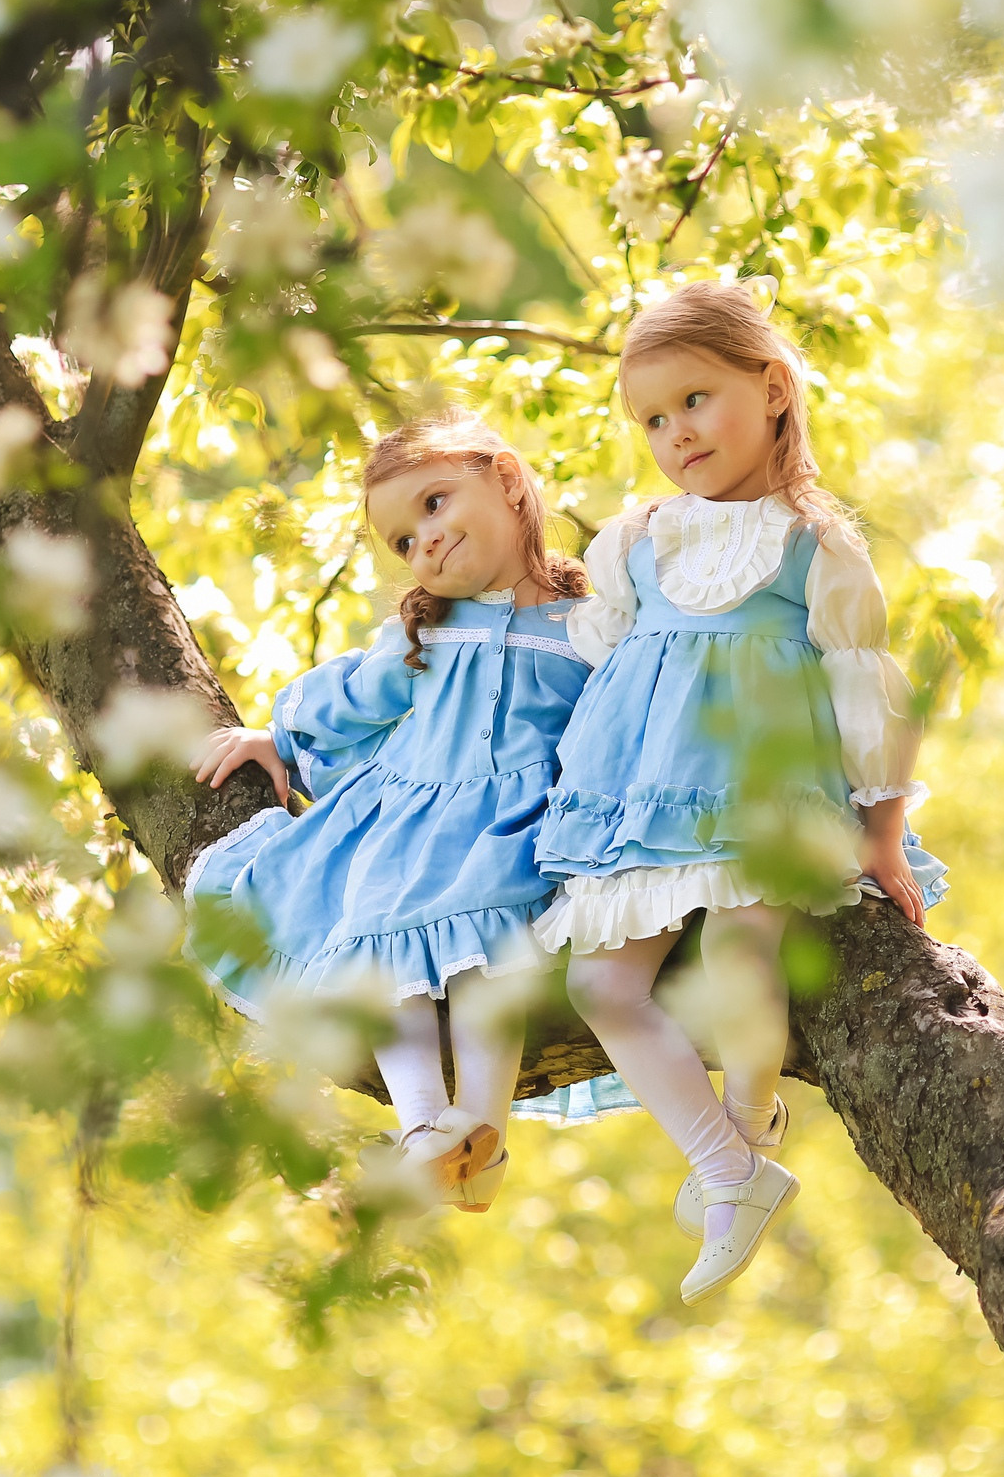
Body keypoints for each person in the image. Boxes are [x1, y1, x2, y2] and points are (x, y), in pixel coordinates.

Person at [536, 279, 949, 1303]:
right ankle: (727, 1166)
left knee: (740, 948)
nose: (674, 433)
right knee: (601, 984)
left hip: (764, 789)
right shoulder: (637, 541)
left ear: (770, 389)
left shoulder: (814, 544)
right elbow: (589, 652)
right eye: (651, 420)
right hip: (645, 797)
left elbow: (866, 688)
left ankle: (751, 1122)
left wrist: (881, 830)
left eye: (694, 400)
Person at [186, 410, 599, 1212]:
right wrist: (277, 736)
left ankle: (481, 1132)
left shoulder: (589, 626)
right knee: (383, 953)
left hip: (511, 827)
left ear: (507, 480)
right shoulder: (426, 631)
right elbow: (350, 698)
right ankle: (424, 1130)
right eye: (404, 540)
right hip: (410, 825)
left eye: (435, 504)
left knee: (487, 954)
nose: (426, 541)